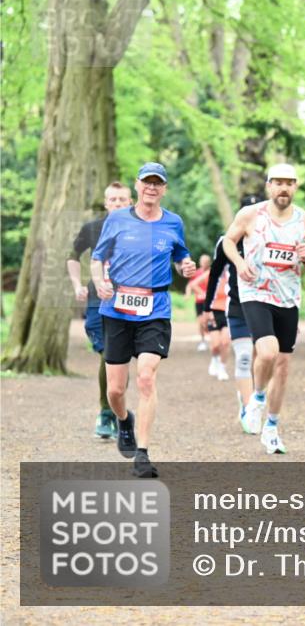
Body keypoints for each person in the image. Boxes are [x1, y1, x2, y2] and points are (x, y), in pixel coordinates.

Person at [91, 162, 196, 477]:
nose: (152, 188)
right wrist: (99, 282)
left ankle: (143, 453)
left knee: (147, 378)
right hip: (117, 310)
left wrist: (186, 266)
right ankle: (124, 420)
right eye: (147, 182)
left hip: (156, 308)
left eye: (158, 183)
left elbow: (181, 256)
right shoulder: (117, 219)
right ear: (137, 185)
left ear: (164, 189)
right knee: (115, 391)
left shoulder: (173, 223)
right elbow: (97, 259)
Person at [223, 164, 305, 454]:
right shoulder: (251, 215)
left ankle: (272, 427)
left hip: (288, 298)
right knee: (266, 351)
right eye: (278, 182)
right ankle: (256, 398)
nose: (283, 188)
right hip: (255, 291)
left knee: (283, 366)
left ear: (296, 187)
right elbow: (229, 241)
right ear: (269, 186)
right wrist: (240, 263)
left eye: (289, 183)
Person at [67, 182, 132, 439]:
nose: (117, 203)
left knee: (120, 359)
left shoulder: (140, 229)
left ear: (130, 202)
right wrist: (76, 286)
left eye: (122, 199)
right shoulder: (92, 228)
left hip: (129, 301)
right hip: (98, 302)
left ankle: (116, 413)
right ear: (106, 203)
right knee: (109, 355)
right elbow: (73, 256)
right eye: (113, 199)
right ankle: (107, 413)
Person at [204, 193, 262, 428]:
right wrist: (207, 307)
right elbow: (214, 274)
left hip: (265, 304)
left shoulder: (271, 237)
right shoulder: (226, 242)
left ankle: (250, 395)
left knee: (262, 358)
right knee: (245, 357)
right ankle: (249, 409)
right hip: (237, 304)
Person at [192, 265, 231, 380]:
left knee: (225, 342)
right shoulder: (212, 272)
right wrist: (204, 295)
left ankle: (223, 368)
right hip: (213, 313)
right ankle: (214, 359)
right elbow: (194, 284)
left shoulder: (232, 273)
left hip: (228, 312)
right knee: (215, 345)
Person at [186, 254, 212, 351]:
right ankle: (203, 341)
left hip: (210, 301)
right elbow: (190, 285)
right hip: (199, 301)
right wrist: (188, 294)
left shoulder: (213, 272)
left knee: (210, 321)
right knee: (201, 322)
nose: (204, 263)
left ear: (209, 262)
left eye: (206, 262)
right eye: (202, 261)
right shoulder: (197, 273)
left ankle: (214, 338)